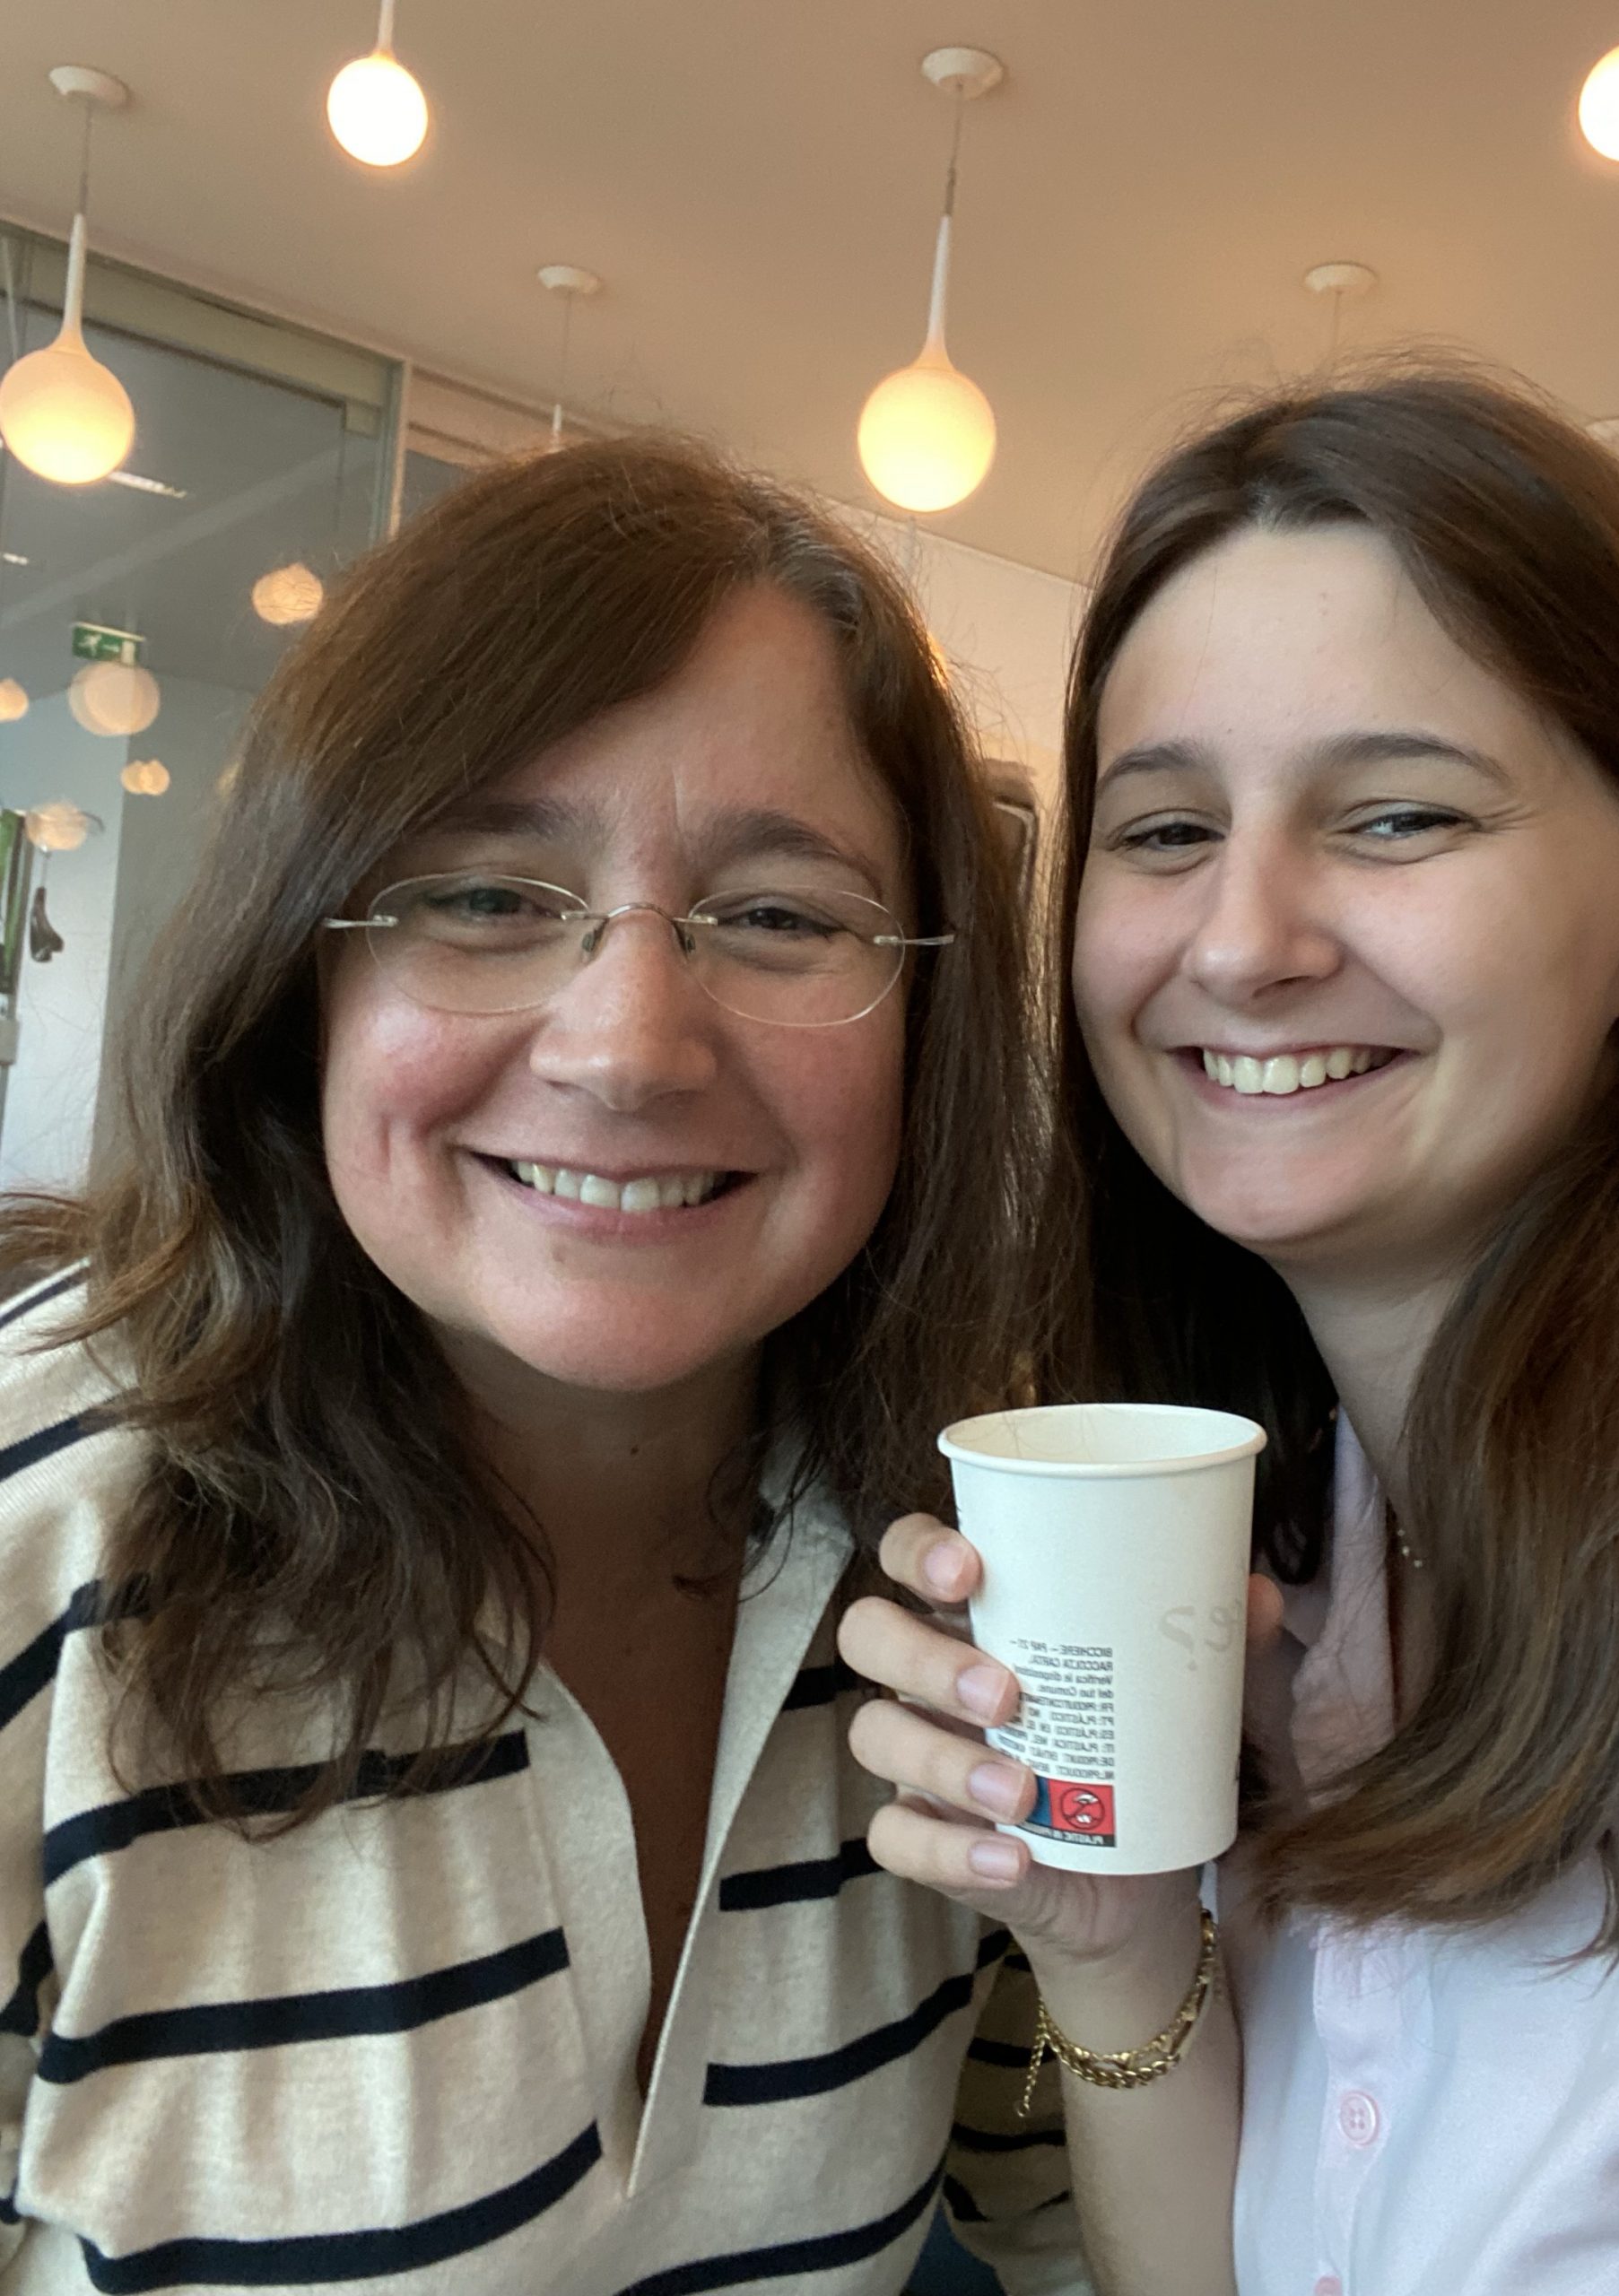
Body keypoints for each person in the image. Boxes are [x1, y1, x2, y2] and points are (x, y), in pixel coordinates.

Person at [0, 437, 1084, 2292]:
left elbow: (1071, 2226)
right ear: (303, 969)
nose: (629, 1045)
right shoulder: (47, 1544)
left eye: (780, 915)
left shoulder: (965, 1570)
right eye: (490, 894)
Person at [840, 368, 1619, 2296]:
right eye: (1161, 832)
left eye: (1398, 813)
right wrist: (1117, 1935)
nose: (1241, 940)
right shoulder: (1294, 1551)